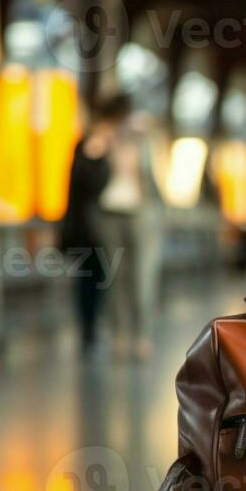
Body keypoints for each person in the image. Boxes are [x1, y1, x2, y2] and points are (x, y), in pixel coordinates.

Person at [99, 104, 164, 361]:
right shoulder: (105, 144)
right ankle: (118, 335)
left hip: (142, 214)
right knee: (115, 277)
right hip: (110, 213)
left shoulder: (145, 145)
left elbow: (153, 182)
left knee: (142, 278)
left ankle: (142, 336)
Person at [61, 96, 121, 352]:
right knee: (90, 280)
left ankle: (93, 330)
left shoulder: (102, 148)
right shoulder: (86, 148)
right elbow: (91, 185)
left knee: (98, 279)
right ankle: (88, 332)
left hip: (98, 227)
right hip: (87, 229)